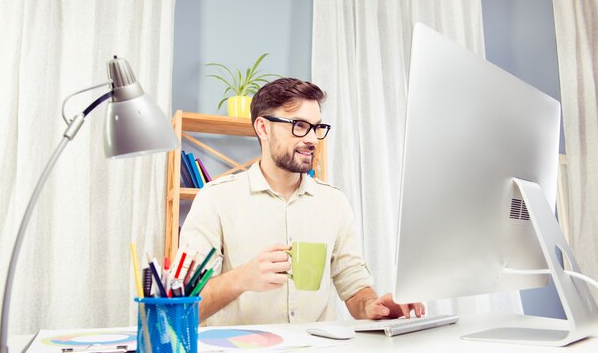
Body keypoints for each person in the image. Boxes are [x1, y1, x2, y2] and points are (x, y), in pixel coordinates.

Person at [175, 77, 424, 325]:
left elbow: (353, 284)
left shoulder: (334, 202)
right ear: (263, 128)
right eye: (299, 125)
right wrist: (241, 278)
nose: (313, 139)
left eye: (316, 127)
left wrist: (373, 306)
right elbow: (181, 308)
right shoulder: (215, 199)